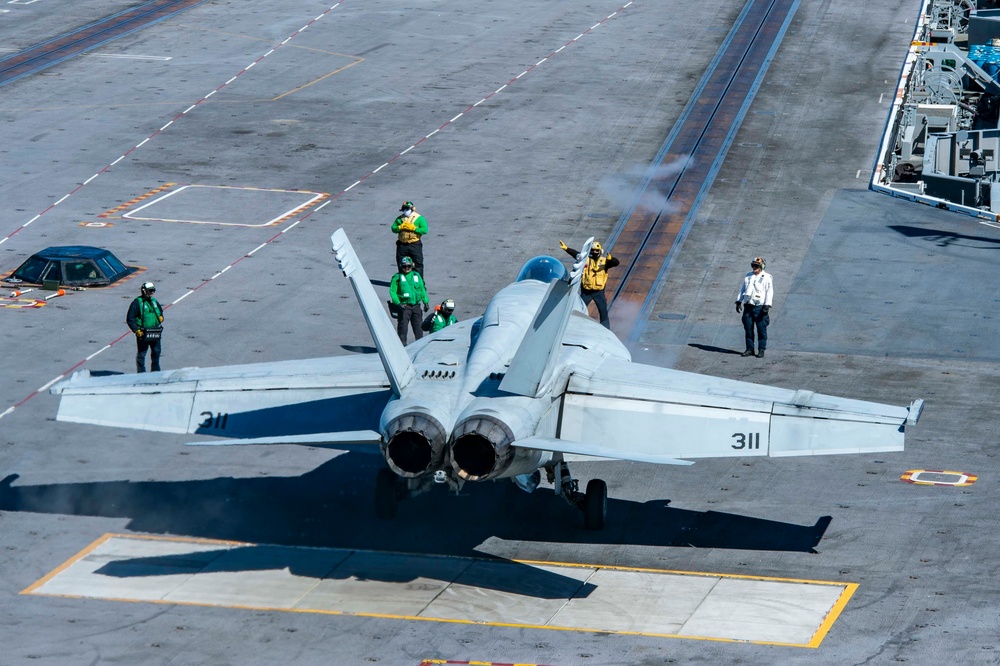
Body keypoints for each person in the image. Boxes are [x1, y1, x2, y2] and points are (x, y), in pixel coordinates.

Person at [560, 240, 620, 329]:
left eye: (596, 250)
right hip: (586, 292)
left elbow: (616, 263)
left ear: (600, 251)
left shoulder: (604, 262)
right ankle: (573, 328)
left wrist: (611, 259)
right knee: (578, 312)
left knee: (603, 314)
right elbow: (576, 254)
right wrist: (566, 248)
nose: (594, 252)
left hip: (598, 292)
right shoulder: (586, 260)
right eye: (592, 250)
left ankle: (606, 332)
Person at [735, 256, 773, 358]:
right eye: (753, 265)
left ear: (762, 267)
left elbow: (769, 292)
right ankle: (750, 349)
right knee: (748, 329)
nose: (754, 268)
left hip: (760, 308)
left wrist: (767, 305)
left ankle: (761, 349)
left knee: (761, 330)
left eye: (757, 266)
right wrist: (739, 301)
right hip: (748, 307)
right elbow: (743, 289)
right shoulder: (748, 276)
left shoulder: (767, 277)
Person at [389, 256, 428, 344]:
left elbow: (422, 289)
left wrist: (425, 301)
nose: (407, 268)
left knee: (418, 328)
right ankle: (402, 347)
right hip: (404, 307)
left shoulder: (416, 276)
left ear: (412, 266)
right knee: (403, 328)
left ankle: (419, 345)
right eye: (404, 266)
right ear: (401, 266)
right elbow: (392, 292)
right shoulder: (397, 277)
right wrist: (398, 303)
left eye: (408, 266)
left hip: (416, 307)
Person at [126, 281, 164, 372]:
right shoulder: (137, 303)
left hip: (155, 331)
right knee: (142, 354)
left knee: (156, 352)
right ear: (144, 291)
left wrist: (161, 317)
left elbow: (160, 311)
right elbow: (130, 318)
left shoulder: (154, 301)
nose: (152, 292)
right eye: (150, 290)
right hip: (143, 333)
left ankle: (155, 371)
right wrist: (136, 330)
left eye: (153, 290)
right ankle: (141, 372)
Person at [391, 200, 428, 277]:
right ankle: (402, 281)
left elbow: (425, 230)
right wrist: (399, 227)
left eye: (407, 209)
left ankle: (419, 282)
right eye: (404, 209)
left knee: (418, 264)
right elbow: (393, 228)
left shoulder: (419, 218)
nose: (405, 211)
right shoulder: (399, 219)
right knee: (401, 263)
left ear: (412, 209)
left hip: (414, 244)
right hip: (402, 244)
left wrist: (414, 229)